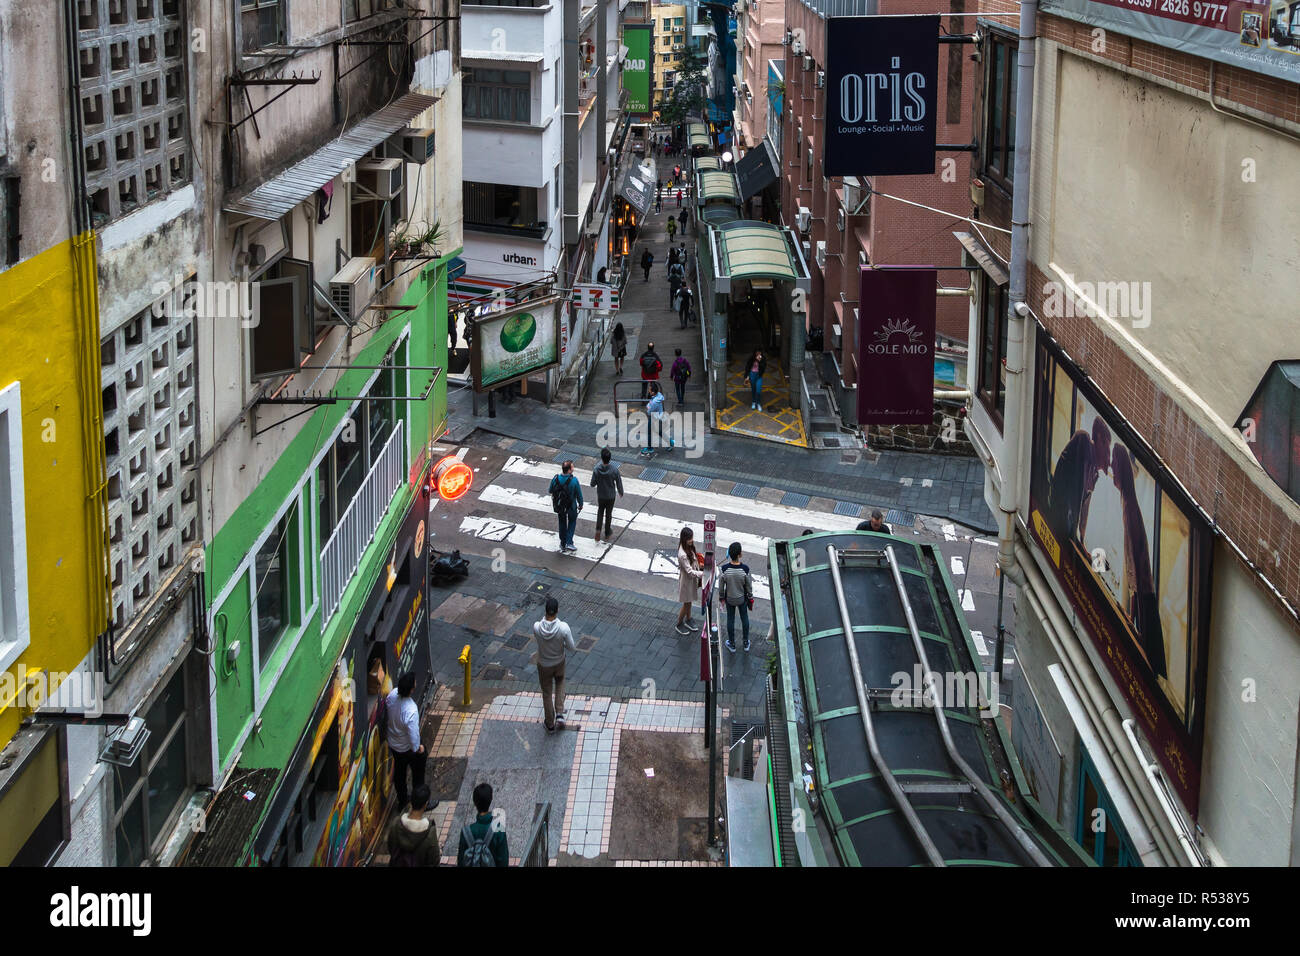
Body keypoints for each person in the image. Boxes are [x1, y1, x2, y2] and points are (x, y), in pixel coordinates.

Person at [533, 595, 577, 732]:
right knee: (560, 682)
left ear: (545, 611)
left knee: (546, 692)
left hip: (543, 664)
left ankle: (550, 724)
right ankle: (559, 713)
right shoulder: (563, 628)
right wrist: (561, 643)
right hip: (559, 662)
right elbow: (571, 647)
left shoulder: (537, 627)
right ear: (557, 611)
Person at [385, 671, 425, 810]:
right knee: (418, 775)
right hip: (407, 748)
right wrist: (418, 748)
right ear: (412, 690)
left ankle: (402, 800)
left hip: (394, 744)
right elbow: (413, 735)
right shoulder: (411, 711)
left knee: (399, 774)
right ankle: (419, 802)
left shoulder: (392, 695)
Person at [387, 783, 441, 867]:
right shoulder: (430, 833)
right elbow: (434, 861)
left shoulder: (395, 824)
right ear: (426, 804)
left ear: (411, 801)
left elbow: (391, 848)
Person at [458, 782, 509, 867]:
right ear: (491, 799)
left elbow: (461, 861)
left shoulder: (465, 832)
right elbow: (503, 861)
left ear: (474, 802)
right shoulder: (498, 829)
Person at [718, 542, 754, 652]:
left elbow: (721, 586)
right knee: (744, 619)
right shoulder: (745, 569)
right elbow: (749, 586)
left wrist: (721, 597)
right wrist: (750, 597)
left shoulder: (724, 569)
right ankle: (746, 642)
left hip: (730, 599)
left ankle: (732, 644)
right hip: (741, 599)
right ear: (740, 554)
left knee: (730, 619)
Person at [590, 446, 625, 543]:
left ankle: (598, 530)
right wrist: (621, 492)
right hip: (611, 496)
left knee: (600, 511)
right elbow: (618, 482)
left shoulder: (596, 469)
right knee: (608, 514)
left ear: (601, 458)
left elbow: (592, 484)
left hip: (601, 495)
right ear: (610, 459)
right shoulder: (614, 470)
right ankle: (607, 532)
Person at [548, 460, 583, 553]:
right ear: (569, 470)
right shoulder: (574, 480)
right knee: (572, 521)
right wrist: (581, 504)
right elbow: (579, 494)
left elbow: (550, 490)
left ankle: (563, 543)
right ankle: (569, 542)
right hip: (571, 506)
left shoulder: (555, 478)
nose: (573, 468)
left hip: (560, 505)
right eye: (572, 467)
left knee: (562, 522)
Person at [675, 527, 704, 634]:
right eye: (690, 538)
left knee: (689, 601)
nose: (692, 540)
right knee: (686, 603)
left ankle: (688, 618)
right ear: (685, 539)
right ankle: (679, 623)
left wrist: (699, 565)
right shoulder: (682, 554)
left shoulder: (688, 547)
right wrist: (702, 574)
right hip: (687, 582)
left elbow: (693, 561)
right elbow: (689, 572)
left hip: (690, 581)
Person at [645, 381, 673, 452]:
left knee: (649, 432)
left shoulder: (655, 402)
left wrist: (648, 407)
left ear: (653, 392)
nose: (648, 390)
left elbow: (649, 411)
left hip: (654, 417)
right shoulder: (659, 395)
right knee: (658, 431)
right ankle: (671, 442)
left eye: (650, 389)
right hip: (658, 417)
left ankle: (650, 448)